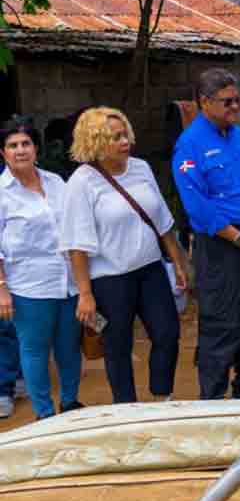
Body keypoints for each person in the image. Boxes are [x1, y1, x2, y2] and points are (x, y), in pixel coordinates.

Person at [63, 108, 187, 404]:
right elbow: (76, 245)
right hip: (109, 279)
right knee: (117, 345)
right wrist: (85, 294)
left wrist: (177, 262)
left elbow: (162, 221)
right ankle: (126, 406)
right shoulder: (82, 182)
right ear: (95, 142)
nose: (125, 142)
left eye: (125, 135)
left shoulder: (141, 168)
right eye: (115, 137)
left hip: (150, 268)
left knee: (168, 333)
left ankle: (162, 396)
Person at [173, 68, 240, 400]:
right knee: (222, 325)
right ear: (205, 102)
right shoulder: (189, 145)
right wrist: (239, 239)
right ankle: (213, 402)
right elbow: (198, 205)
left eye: (237, 100)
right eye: (227, 101)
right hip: (222, 246)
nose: (235, 107)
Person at [0, 117, 82, 419]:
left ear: (36, 148)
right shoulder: (2, 193)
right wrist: (2, 290)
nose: (20, 150)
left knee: (69, 348)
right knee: (34, 350)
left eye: (26, 143)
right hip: (29, 286)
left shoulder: (56, 182)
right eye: (13, 145)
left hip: (68, 281)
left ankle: (70, 403)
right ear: (3, 153)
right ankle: (44, 414)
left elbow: (75, 227)